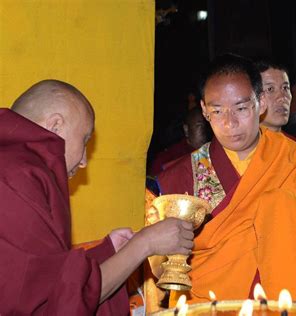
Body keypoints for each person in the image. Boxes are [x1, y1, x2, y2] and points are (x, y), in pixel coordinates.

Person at [157, 55, 296, 315]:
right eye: (217, 110)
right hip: (208, 306)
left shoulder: (294, 159)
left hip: (288, 301)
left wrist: (282, 211)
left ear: (261, 103)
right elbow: (159, 265)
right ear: (203, 110)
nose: (230, 122)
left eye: (241, 108)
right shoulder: (180, 177)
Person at [0, 80, 194, 315]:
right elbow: (56, 300)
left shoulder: (15, 166)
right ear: (55, 127)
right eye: (84, 141)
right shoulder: (16, 175)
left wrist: (109, 251)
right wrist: (146, 243)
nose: (83, 161)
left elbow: (39, 277)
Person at [149, 106, 211, 175]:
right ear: (186, 129)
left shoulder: (214, 153)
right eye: (200, 126)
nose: (205, 131)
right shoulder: (168, 159)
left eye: (208, 126)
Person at [256, 60, 292, 132]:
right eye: (270, 89)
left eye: (285, 88)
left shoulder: (295, 143)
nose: (282, 98)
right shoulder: (239, 142)